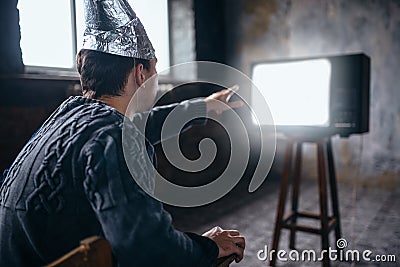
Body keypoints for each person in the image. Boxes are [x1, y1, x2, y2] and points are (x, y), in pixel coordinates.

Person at [0, 0, 245, 266]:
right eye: (155, 68)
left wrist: (203, 106)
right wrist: (208, 247)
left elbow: (141, 124)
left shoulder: (68, 117)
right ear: (141, 74)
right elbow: (150, 250)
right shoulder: (115, 137)